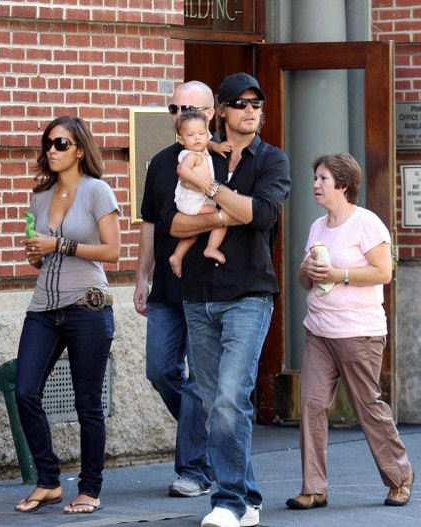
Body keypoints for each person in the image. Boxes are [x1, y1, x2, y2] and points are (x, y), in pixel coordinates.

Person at [162, 72, 290, 527]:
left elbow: (263, 214)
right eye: (240, 103)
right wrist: (227, 211)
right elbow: (172, 226)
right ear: (221, 111)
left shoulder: (272, 160)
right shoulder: (190, 153)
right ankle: (247, 496)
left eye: (257, 103)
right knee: (216, 401)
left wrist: (211, 193)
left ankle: (229, 501)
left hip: (249, 294)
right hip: (197, 294)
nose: (250, 110)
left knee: (230, 399)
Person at [286, 153, 413, 510]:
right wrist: (306, 268)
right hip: (320, 331)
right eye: (315, 178)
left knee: (367, 406)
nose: (315, 184)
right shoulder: (317, 227)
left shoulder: (366, 224)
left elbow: (383, 272)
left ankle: (399, 476)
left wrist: (338, 274)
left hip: (359, 332)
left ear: (343, 184)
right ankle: (313, 488)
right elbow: (304, 281)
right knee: (311, 405)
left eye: (323, 179)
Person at [14, 116, 120, 514]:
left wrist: (58, 244)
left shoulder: (97, 191)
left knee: (87, 403)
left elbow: (112, 252)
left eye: (61, 143)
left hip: (88, 307)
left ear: (79, 149)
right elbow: (42, 260)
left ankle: (90, 489)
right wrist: (37, 255)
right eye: (48, 144)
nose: (52, 151)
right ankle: (49, 480)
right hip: (43, 307)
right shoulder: (40, 197)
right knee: (25, 391)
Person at [134, 81, 225, 498]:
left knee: (198, 383)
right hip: (167, 287)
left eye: (186, 106)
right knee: (159, 370)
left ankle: (193, 469)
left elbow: (231, 214)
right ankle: (202, 442)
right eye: (173, 107)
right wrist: (140, 275)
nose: (177, 112)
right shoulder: (161, 161)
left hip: (207, 287)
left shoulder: (224, 158)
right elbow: (151, 222)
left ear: (210, 114)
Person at [169, 110, 228, 277]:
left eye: (202, 133)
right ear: (181, 139)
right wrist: (201, 182)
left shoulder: (201, 149)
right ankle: (211, 248)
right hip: (191, 201)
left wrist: (216, 146)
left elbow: (206, 144)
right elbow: (182, 170)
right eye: (191, 135)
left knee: (192, 233)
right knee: (220, 217)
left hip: (196, 200)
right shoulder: (191, 155)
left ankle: (177, 256)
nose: (197, 138)